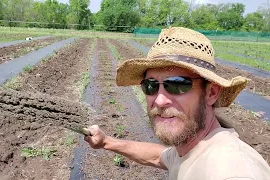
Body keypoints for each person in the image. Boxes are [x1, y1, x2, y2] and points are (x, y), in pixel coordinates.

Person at [84, 27, 270, 180]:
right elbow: (159, 156)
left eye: (177, 85)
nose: (160, 100)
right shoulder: (191, 147)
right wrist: (106, 141)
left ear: (211, 93)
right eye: (150, 86)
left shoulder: (231, 170)